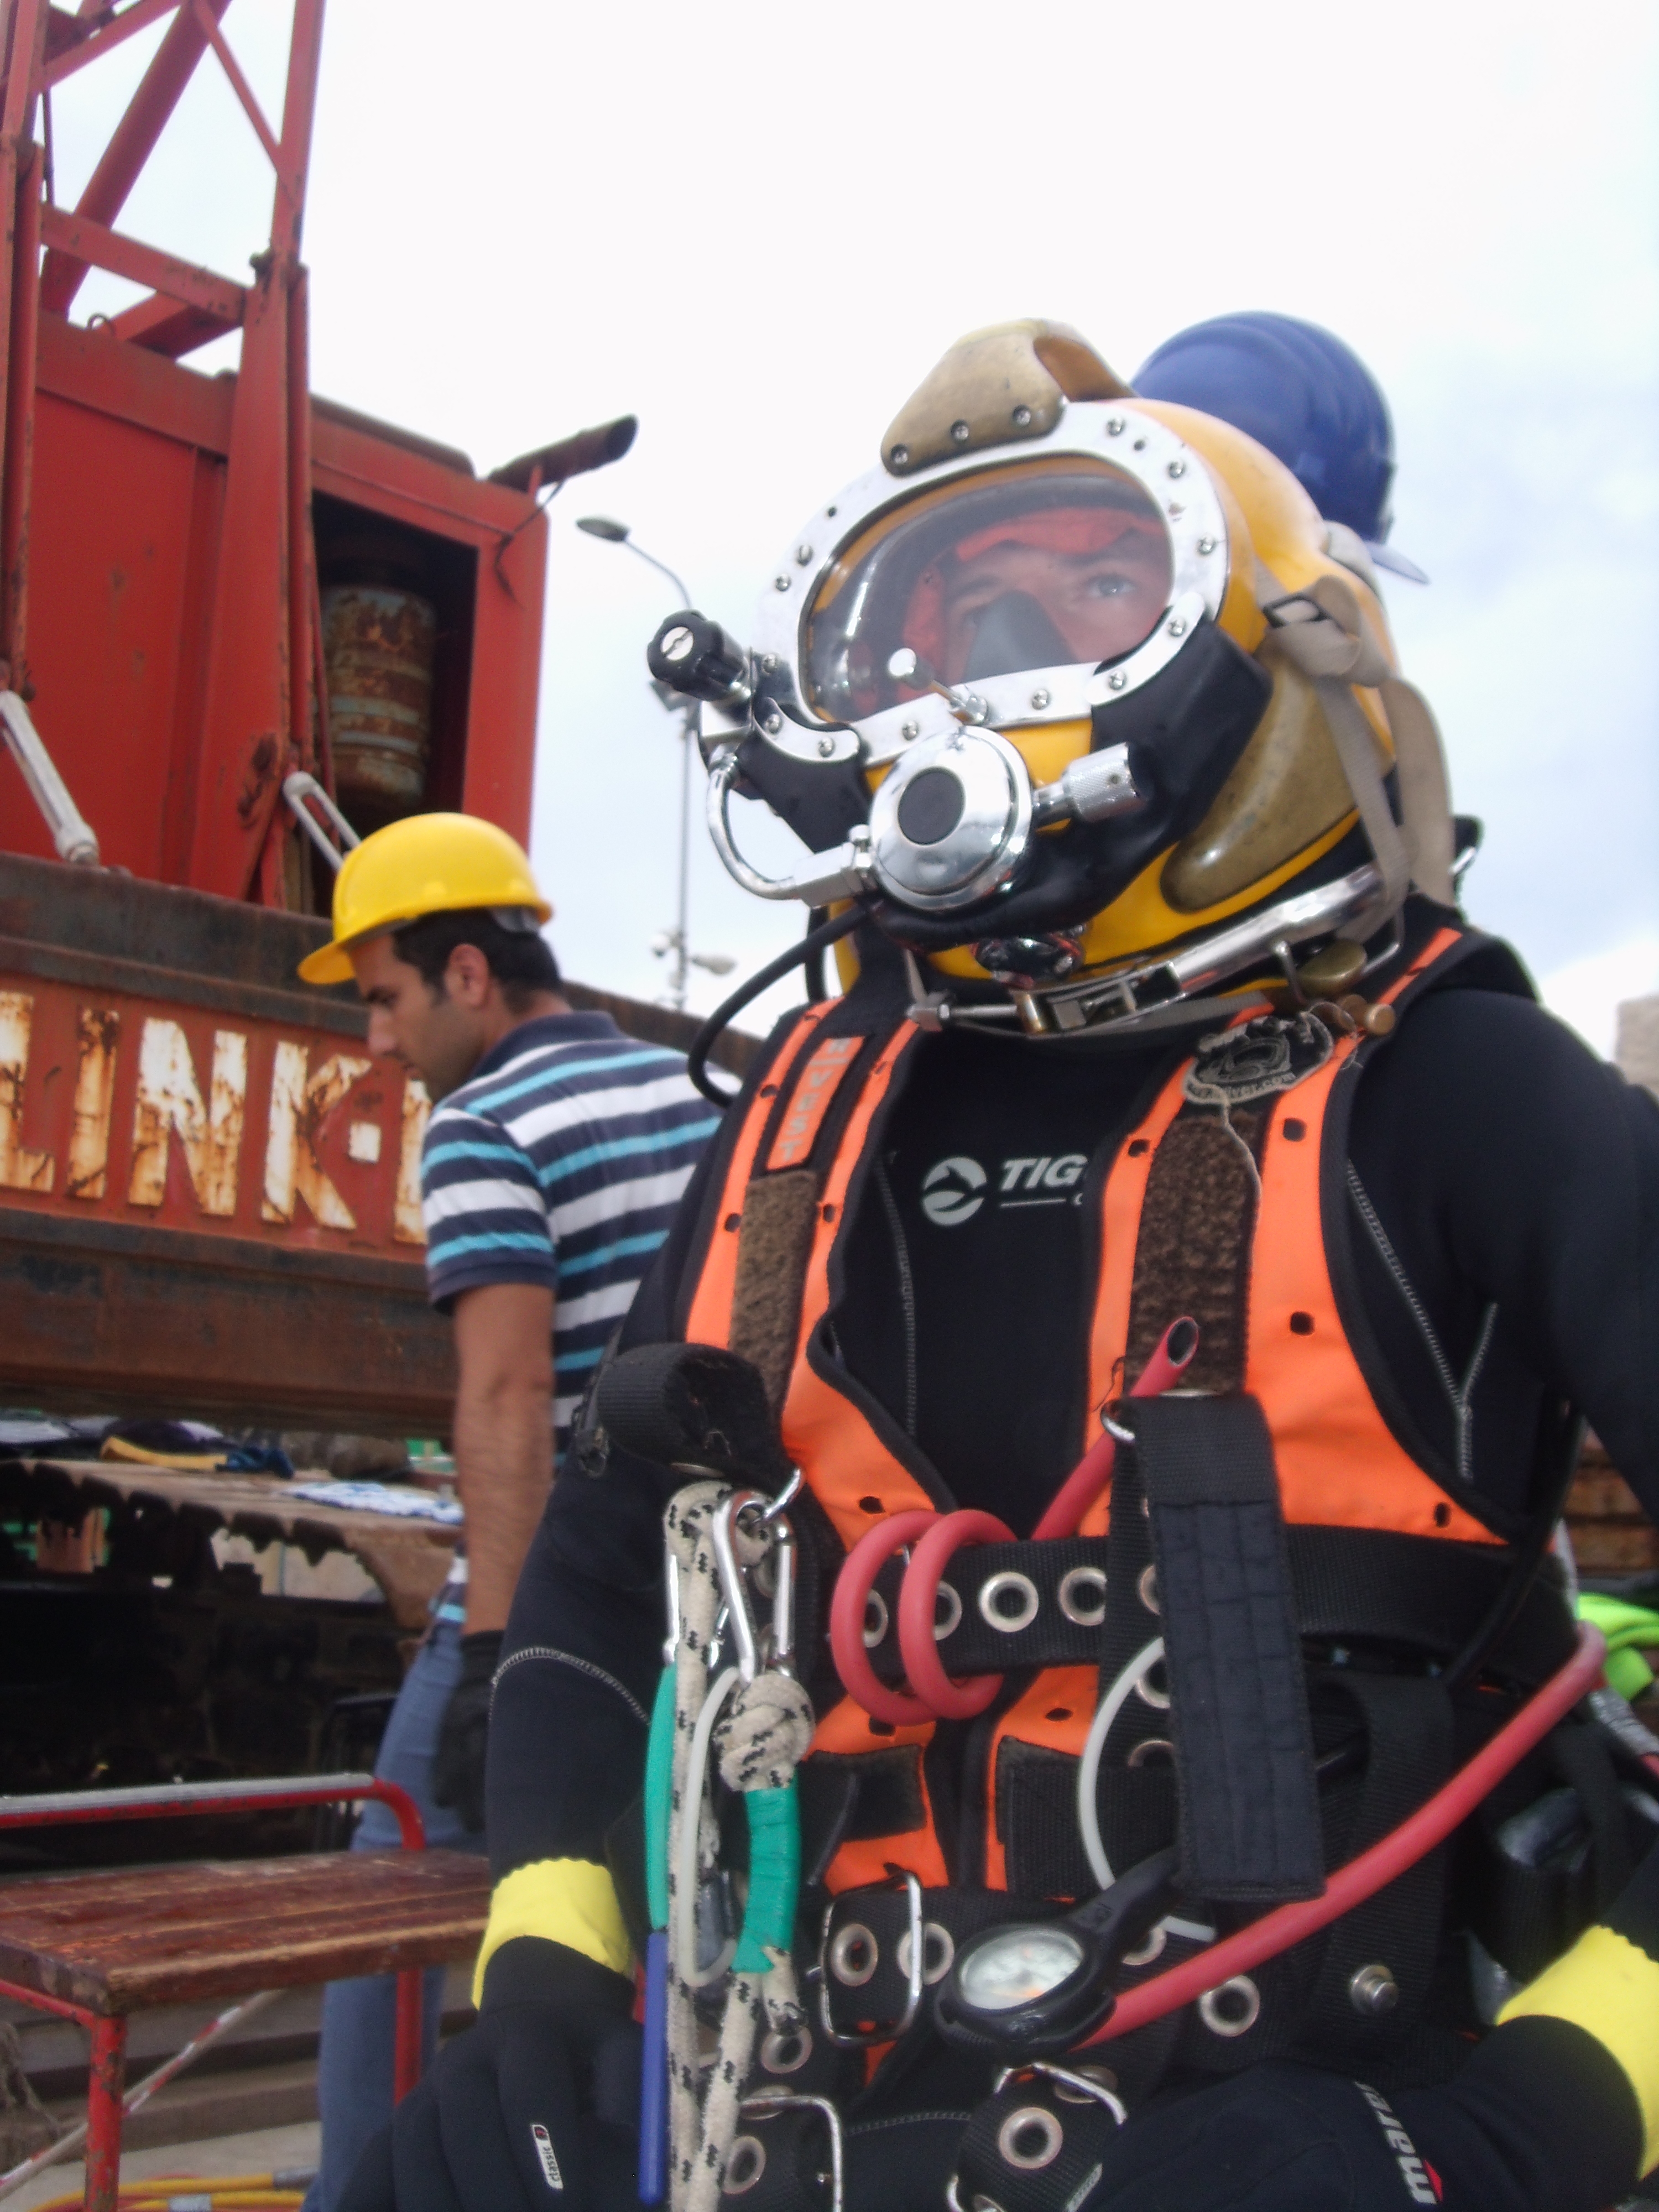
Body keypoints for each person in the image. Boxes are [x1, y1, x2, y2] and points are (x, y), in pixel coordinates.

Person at [342, 326, 1659, 2212]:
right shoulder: (799, 1115)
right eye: (959, 617)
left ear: (1276, 645)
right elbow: (606, 1567)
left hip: (1337, 2112)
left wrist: (1531, 2123)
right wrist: (544, 1974)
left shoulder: (1456, 1084)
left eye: (1094, 588)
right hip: (802, 2122)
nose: (1004, 654)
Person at [295, 812, 718, 2212]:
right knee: (644, 1908)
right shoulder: (698, 1093)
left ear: (469, 973)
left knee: (395, 1868)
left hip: (567, 1586)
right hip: (707, 1605)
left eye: (385, 998)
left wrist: (495, 1652)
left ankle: (361, 2184)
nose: (378, 1042)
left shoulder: (482, 1123)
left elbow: (505, 1392)